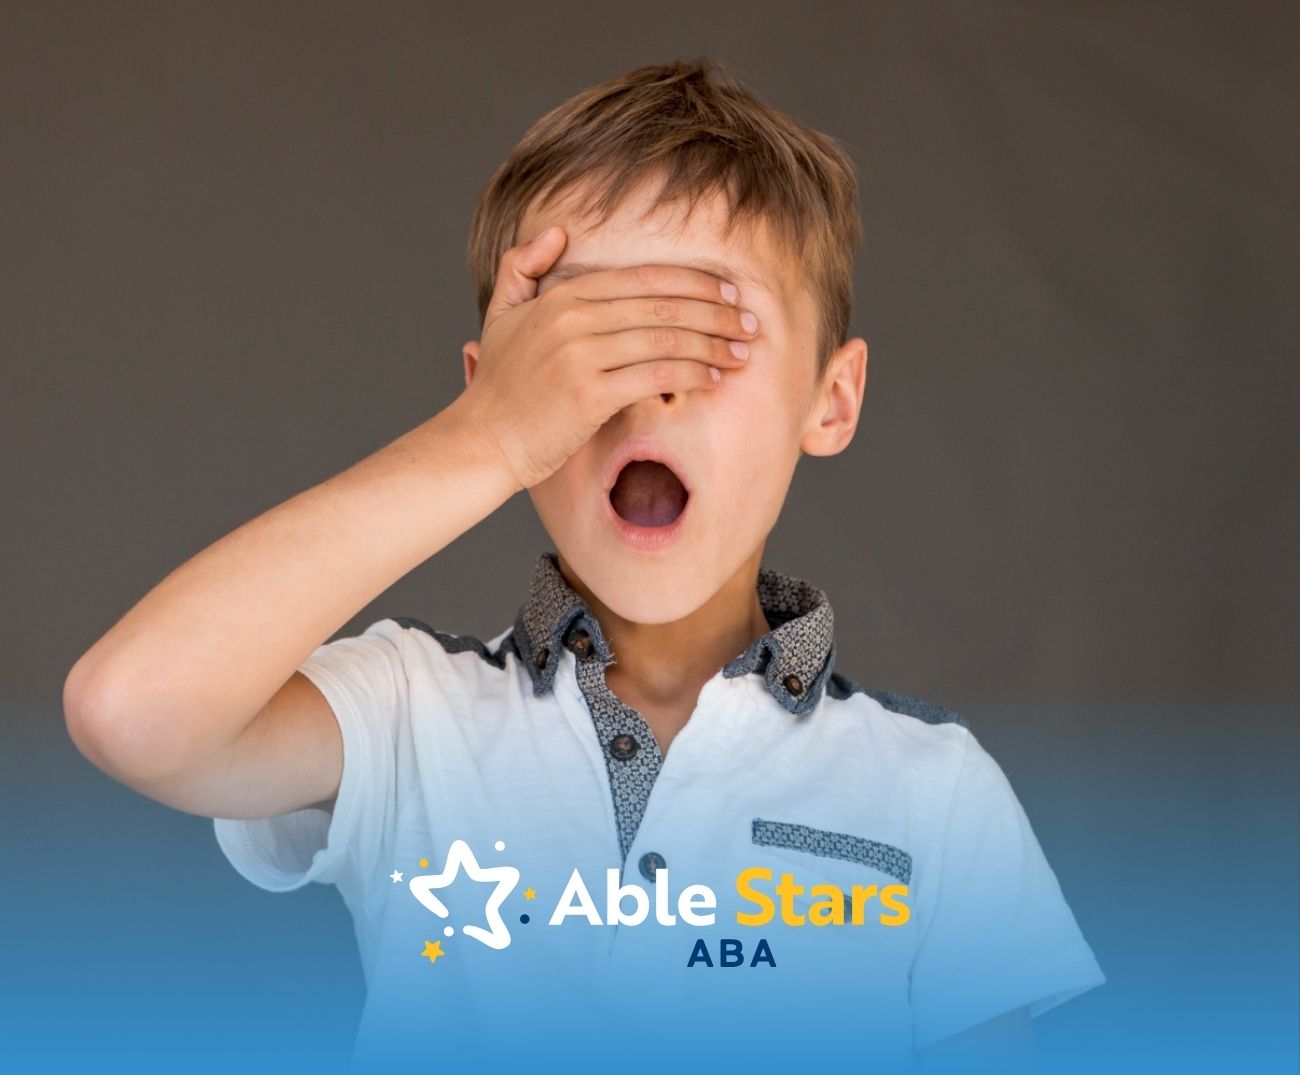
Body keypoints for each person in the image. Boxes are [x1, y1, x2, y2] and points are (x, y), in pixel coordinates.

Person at [63, 57, 1104, 1072]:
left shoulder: (933, 792)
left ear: (829, 399)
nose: (645, 385)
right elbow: (131, 709)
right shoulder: (408, 718)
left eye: (709, 327)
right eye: (584, 337)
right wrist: (484, 439)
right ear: (498, 387)